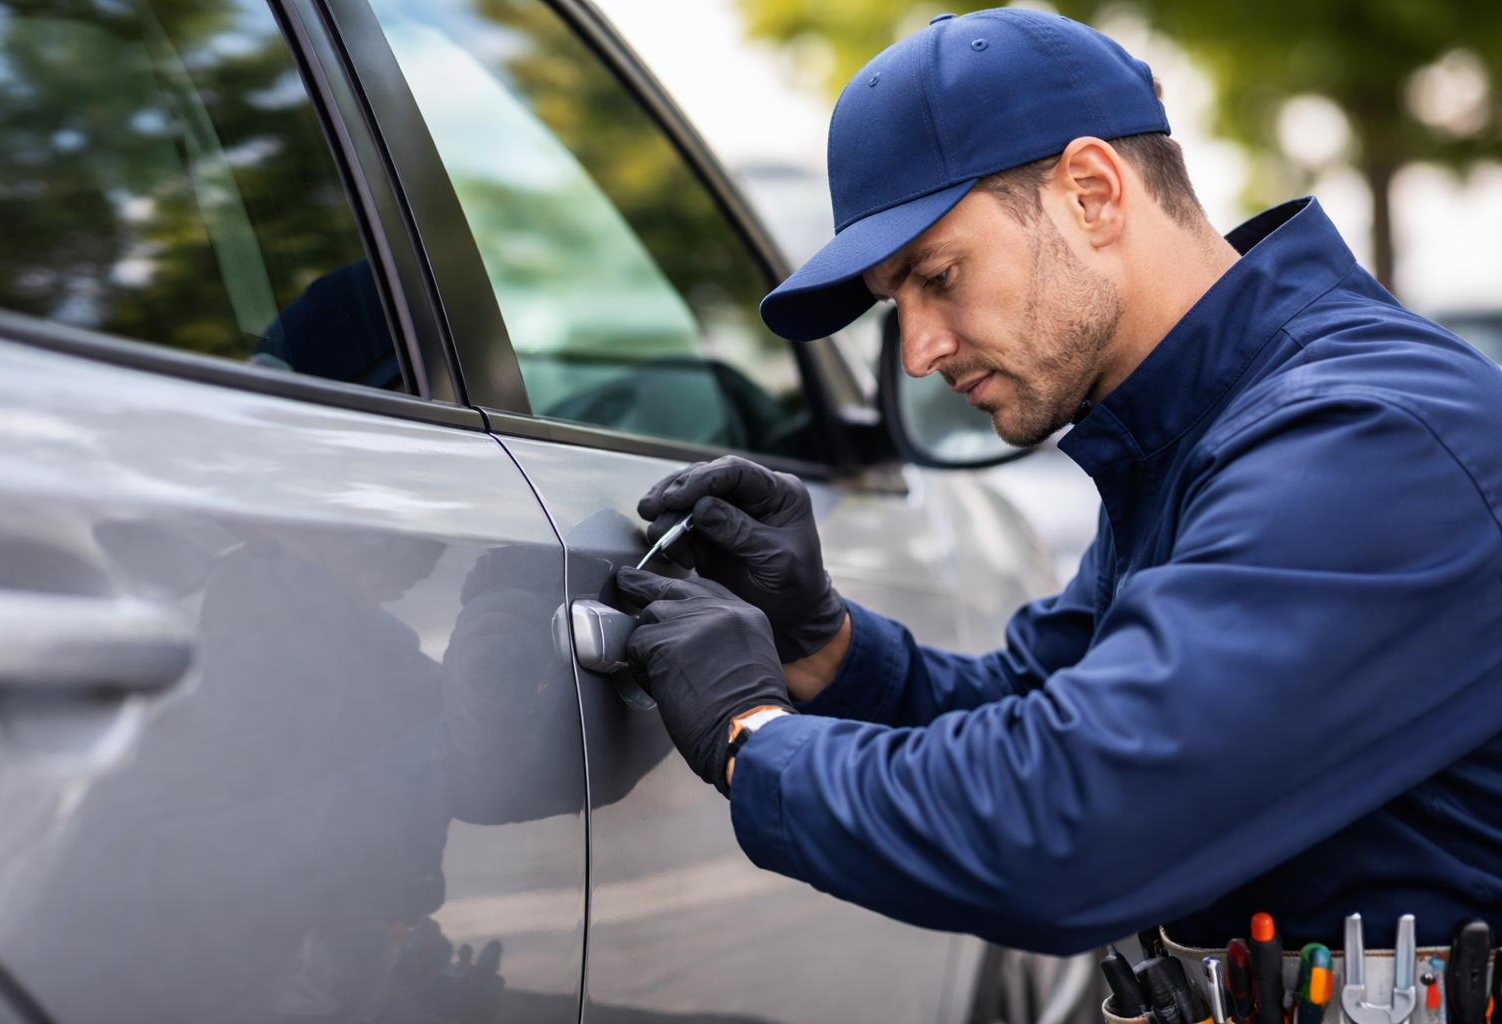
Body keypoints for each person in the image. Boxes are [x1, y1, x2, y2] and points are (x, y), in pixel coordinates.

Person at [612, 7, 1502, 959]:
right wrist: (824, 647)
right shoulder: (1194, 431)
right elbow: (1036, 708)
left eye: (939, 276)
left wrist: (754, 739)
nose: (917, 353)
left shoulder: (1364, 439)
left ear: (1091, 192)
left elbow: (1075, 822)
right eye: (894, 306)